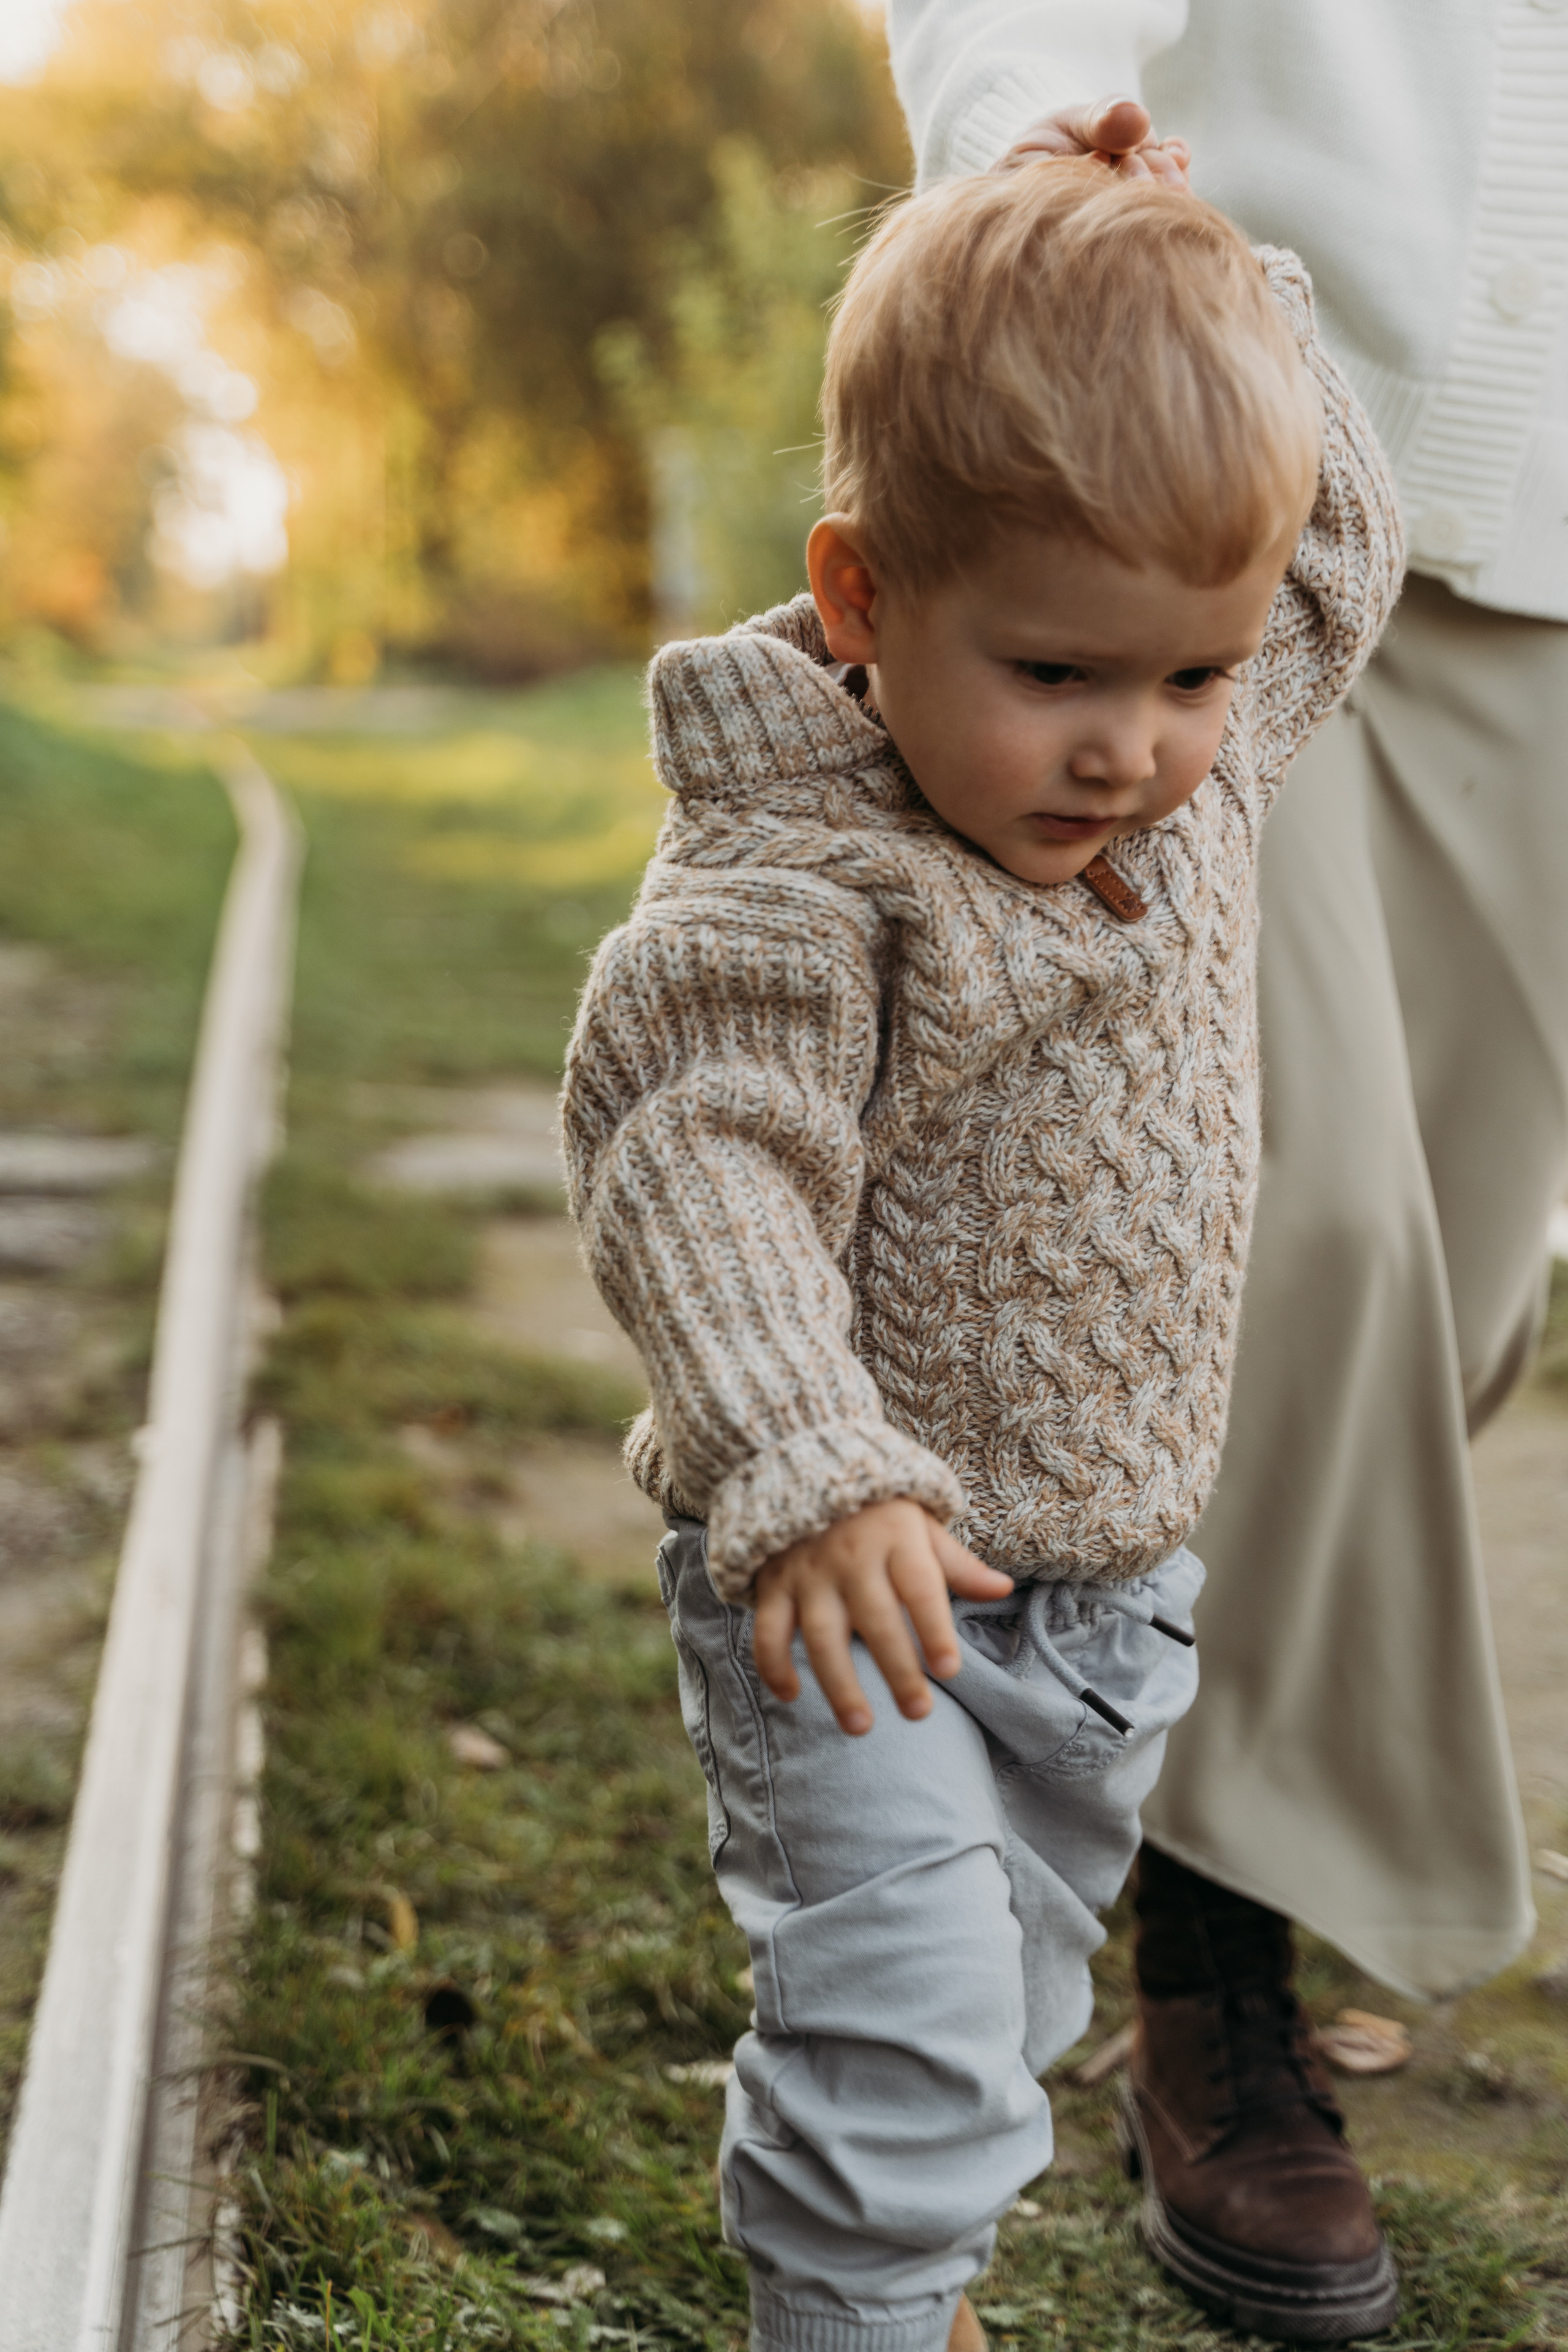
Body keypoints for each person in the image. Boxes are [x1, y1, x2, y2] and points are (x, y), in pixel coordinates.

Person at [562, 159, 1402, 2351]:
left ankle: (900, 2274)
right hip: (864, 1589)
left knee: (998, 2008)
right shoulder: (801, 875)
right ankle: (857, 2313)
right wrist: (812, 1464)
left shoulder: (1189, 773)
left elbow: (1339, 548)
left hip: (1111, 1612)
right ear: (860, 595)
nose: (1130, 746)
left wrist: (1234, 273)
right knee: (907, 2032)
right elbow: (694, 1158)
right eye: (1056, 674)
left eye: (1188, 674)